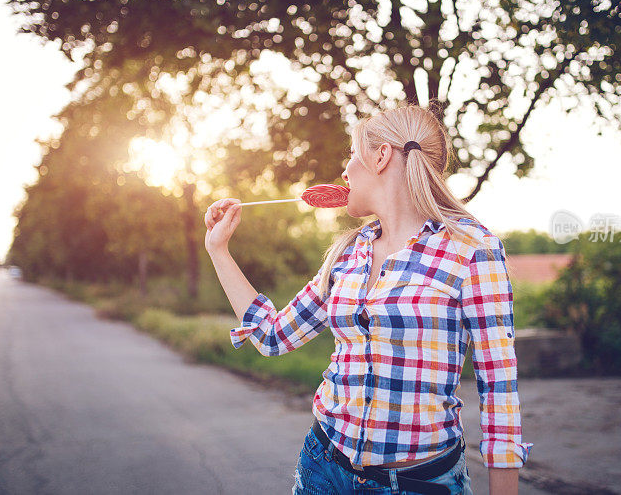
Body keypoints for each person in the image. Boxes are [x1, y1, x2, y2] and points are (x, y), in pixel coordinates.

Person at [204, 104, 533, 495]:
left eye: (351, 154)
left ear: (381, 156)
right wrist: (219, 250)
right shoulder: (348, 254)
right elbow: (272, 337)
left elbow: (498, 388)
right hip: (323, 467)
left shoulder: (471, 249)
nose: (344, 171)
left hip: (416, 483)